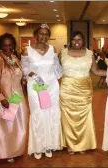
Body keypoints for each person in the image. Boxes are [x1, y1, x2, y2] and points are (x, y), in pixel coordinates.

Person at [59, 31, 106, 154]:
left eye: (79, 39)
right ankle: (70, 145)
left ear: (83, 41)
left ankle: (82, 144)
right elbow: (55, 69)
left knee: (84, 117)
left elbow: (96, 71)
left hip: (84, 90)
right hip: (67, 89)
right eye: (74, 39)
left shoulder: (90, 54)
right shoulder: (62, 53)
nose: (77, 42)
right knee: (67, 117)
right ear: (70, 41)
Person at [21, 23, 62, 159]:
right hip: (35, 86)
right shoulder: (27, 50)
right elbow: (24, 69)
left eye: (46, 34)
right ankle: (38, 147)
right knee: (38, 114)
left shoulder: (52, 49)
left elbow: (57, 69)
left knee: (51, 114)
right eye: (41, 34)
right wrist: (33, 75)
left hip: (51, 86)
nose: (43, 36)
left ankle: (49, 145)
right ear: (35, 35)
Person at [0, 33, 28, 162]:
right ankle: (5, 151)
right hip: (5, 97)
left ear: (14, 46)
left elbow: (20, 77)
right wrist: (1, 98)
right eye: (5, 45)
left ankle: (16, 150)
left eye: (10, 45)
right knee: (6, 126)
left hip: (17, 96)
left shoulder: (15, 59)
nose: (8, 47)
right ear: (0, 46)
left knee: (19, 124)